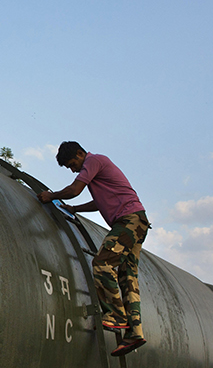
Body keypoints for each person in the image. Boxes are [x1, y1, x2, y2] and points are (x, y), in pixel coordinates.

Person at [38, 141, 150, 356]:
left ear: (80, 154)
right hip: (137, 221)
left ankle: (116, 316)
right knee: (127, 277)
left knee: (101, 264)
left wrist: (51, 196)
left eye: (72, 164)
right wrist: (75, 209)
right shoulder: (99, 168)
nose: (73, 169)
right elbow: (99, 203)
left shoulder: (94, 160)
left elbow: (74, 189)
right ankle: (135, 333)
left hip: (129, 220)